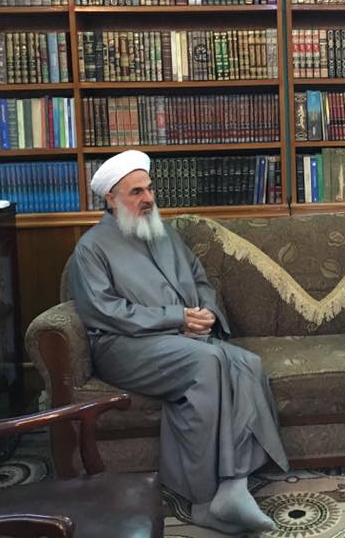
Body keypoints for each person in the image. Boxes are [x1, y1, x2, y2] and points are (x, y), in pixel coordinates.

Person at [69, 150, 288, 534]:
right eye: (136, 192)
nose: (148, 198)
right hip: (123, 346)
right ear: (111, 199)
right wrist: (176, 319)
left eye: (149, 189)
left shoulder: (164, 233)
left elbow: (200, 280)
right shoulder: (91, 248)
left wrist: (206, 314)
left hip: (183, 338)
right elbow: (105, 311)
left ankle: (233, 485)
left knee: (248, 365)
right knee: (208, 363)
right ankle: (203, 500)